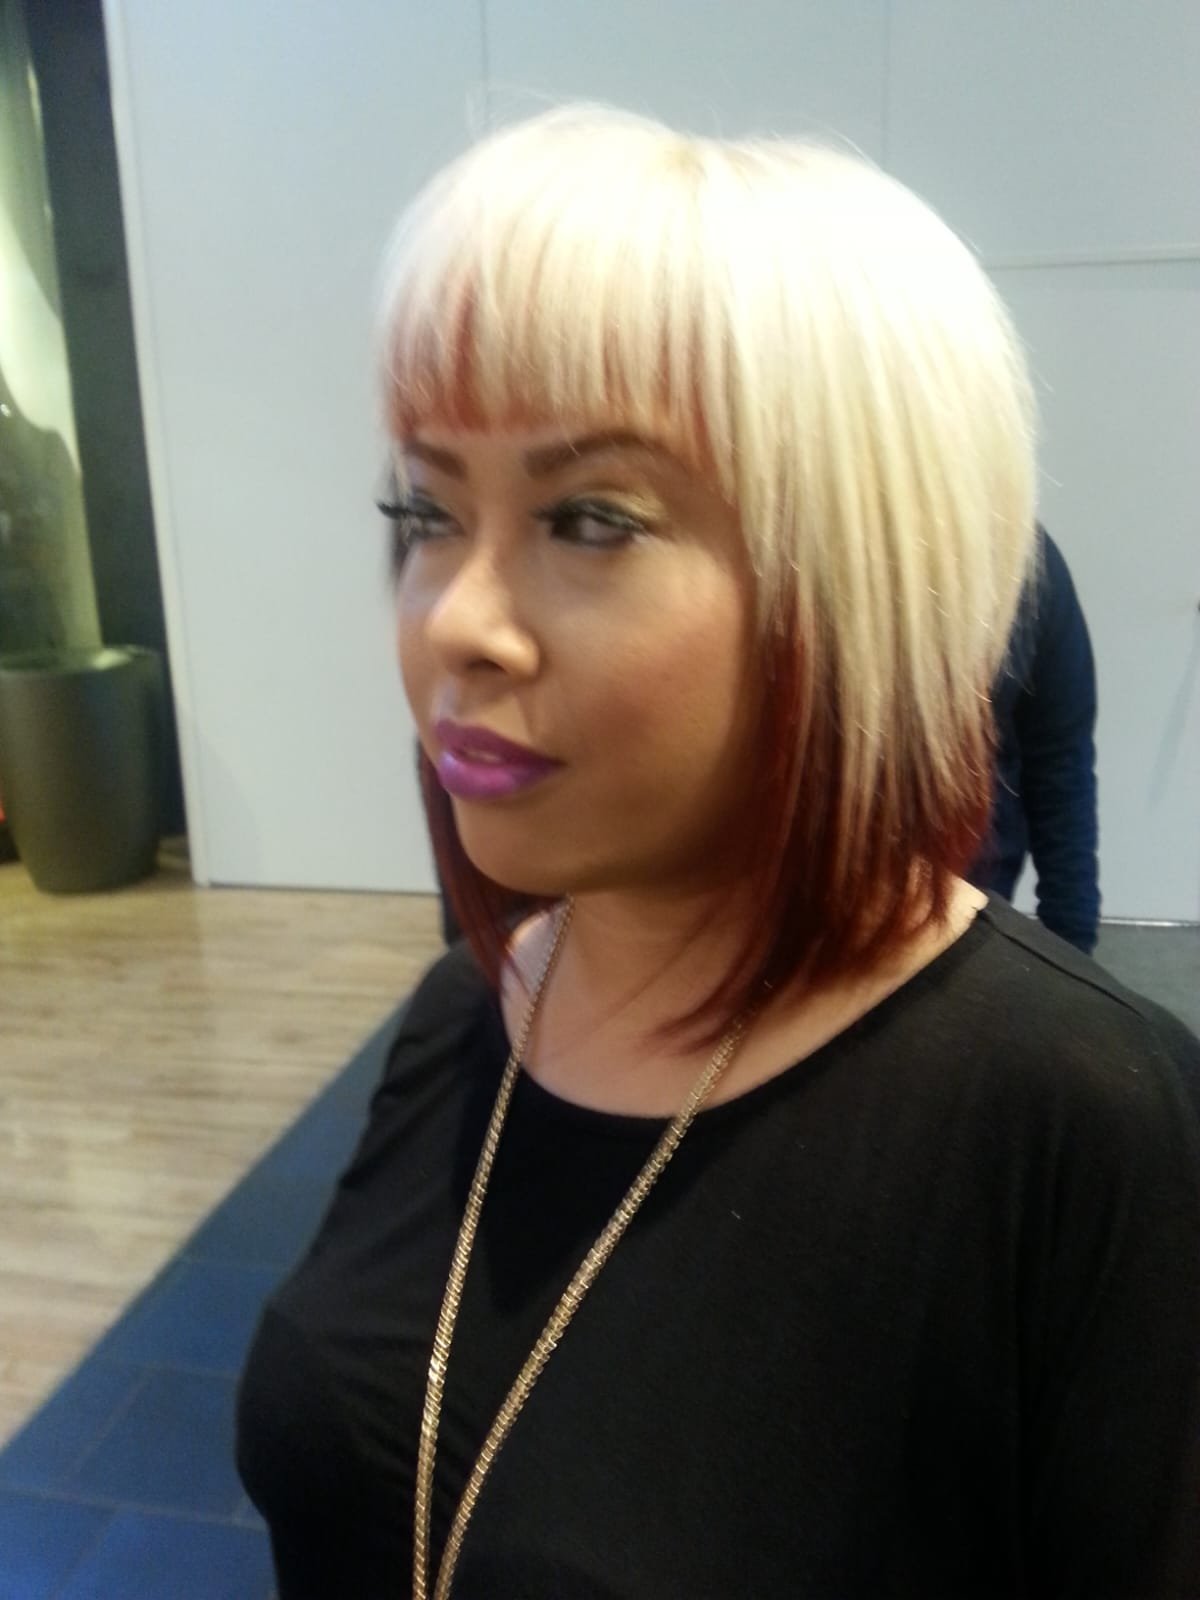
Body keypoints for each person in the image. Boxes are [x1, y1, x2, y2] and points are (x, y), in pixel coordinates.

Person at [236, 108, 1200, 1599]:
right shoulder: (465, 1014)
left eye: (590, 519)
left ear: (856, 577)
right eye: (425, 508)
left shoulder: (1080, 1128)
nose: (458, 622)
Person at [970, 525, 1100, 952]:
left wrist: (1072, 945)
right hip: (811, 925)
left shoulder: (1023, 559)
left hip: (973, 912)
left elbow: (1061, 762)